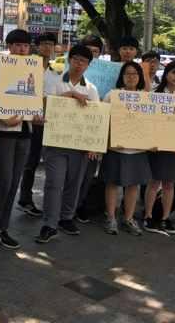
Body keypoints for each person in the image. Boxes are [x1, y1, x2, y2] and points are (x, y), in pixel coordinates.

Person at [35, 45, 101, 244]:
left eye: (84, 61)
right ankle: (49, 224)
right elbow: (45, 103)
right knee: (54, 183)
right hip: (55, 142)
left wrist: (93, 145)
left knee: (74, 183)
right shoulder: (54, 81)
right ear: (69, 60)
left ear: (88, 65)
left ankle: (66, 218)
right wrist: (71, 95)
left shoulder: (91, 88)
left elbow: (95, 117)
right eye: (76, 59)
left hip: (79, 145)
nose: (79, 64)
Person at [0, 29, 34, 254]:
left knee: (14, 184)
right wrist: (1, 117)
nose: (22, 49)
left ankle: (3, 230)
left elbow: (34, 100)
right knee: (3, 184)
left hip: (24, 131)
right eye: (17, 45)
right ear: (9, 47)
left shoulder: (32, 70)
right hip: (3, 132)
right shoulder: (0, 69)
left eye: (25, 46)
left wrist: (37, 114)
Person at [100, 62, 152, 236]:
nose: (131, 77)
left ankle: (129, 218)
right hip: (115, 149)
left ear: (140, 77)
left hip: (138, 150)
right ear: (121, 77)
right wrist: (106, 142)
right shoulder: (112, 95)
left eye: (135, 74)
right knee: (112, 184)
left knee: (133, 186)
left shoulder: (147, 97)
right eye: (127, 74)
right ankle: (111, 218)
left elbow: (155, 124)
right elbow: (102, 121)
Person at [143, 61, 175, 235]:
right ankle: (147, 215)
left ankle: (165, 218)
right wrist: (149, 142)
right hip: (156, 147)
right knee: (154, 182)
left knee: (170, 184)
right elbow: (148, 121)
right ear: (166, 74)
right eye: (173, 73)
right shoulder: (154, 93)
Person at [18, 33, 59, 217]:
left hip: (48, 123)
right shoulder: (26, 67)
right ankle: (24, 199)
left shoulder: (55, 72)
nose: (47, 47)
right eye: (44, 44)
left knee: (49, 163)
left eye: (51, 44)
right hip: (27, 122)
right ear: (37, 46)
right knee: (30, 162)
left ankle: (50, 204)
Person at [74, 34, 105, 223]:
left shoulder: (109, 73)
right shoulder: (69, 73)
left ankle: (80, 205)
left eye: (96, 51)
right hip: (71, 128)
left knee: (87, 172)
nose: (92, 55)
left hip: (94, 129)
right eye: (89, 51)